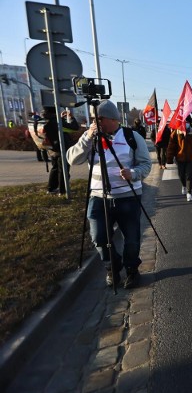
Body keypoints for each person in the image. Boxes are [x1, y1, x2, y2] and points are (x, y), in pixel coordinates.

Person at [67, 100, 152, 289]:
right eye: (92, 119)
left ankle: (131, 270)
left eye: (98, 118)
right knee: (99, 237)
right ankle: (112, 268)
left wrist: (134, 173)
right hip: (98, 198)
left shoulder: (132, 136)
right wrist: (88, 137)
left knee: (131, 238)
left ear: (111, 118)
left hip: (128, 197)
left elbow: (146, 164)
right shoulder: (90, 138)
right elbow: (72, 158)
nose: (94, 122)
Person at [43, 107, 79, 195]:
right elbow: (74, 128)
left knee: (55, 168)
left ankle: (51, 188)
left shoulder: (46, 120)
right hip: (62, 148)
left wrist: (60, 118)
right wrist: (71, 117)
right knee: (63, 169)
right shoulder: (57, 122)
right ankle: (63, 190)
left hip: (52, 149)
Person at [166, 116, 192, 202]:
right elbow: (171, 146)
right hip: (180, 158)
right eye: (184, 121)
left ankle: (189, 192)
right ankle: (184, 185)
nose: (185, 123)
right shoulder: (176, 132)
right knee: (181, 175)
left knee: (189, 175)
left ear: (189, 123)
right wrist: (169, 158)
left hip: (191, 158)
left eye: (187, 122)